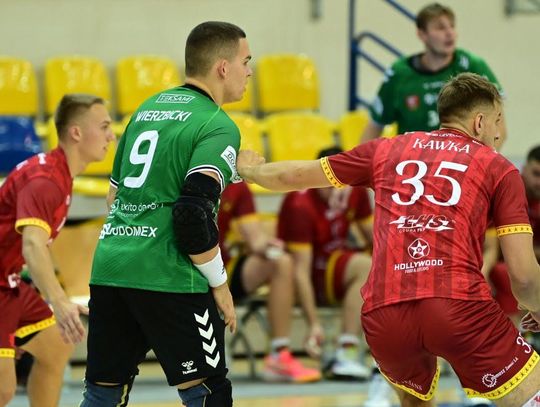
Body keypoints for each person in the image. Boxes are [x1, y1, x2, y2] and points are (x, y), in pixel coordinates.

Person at [237, 73, 540, 406]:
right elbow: (524, 278)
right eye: (498, 122)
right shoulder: (498, 167)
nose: (499, 134)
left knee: (415, 402)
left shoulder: (386, 149)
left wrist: (251, 171)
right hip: (457, 305)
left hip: (386, 314)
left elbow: (293, 176)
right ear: (480, 122)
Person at [79, 21, 251, 407]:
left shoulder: (146, 110)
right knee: (207, 391)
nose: (250, 71)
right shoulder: (217, 124)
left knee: (103, 393)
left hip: (112, 268)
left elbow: (114, 196)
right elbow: (191, 214)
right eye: (246, 61)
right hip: (169, 275)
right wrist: (220, 283)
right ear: (223, 67)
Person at [0, 94, 115, 407]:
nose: (111, 136)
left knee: (56, 346)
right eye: (104, 126)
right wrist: (59, 301)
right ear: (76, 132)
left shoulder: (59, 174)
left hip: (8, 282)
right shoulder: (46, 181)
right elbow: (33, 244)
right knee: (3, 389)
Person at [275, 146, 372, 381]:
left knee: (386, 259)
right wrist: (314, 323)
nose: (337, 190)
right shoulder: (299, 204)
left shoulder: (355, 191)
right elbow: (300, 272)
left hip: (337, 262)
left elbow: (376, 238)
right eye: (330, 183)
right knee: (365, 266)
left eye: (342, 183)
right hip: (310, 274)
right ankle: (347, 350)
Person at [218, 181, 321, 382]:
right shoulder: (177, 176)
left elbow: (255, 239)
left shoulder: (236, 186)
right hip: (182, 268)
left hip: (222, 270)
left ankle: (279, 355)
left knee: (281, 261)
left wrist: (268, 246)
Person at [361, 3, 505, 145]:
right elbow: (375, 126)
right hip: (412, 158)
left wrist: (484, 159)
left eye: (452, 26)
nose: (450, 33)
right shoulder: (399, 74)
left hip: (462, 158)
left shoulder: (473, 66)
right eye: (440, 28)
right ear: (422, 34)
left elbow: (499, 127)